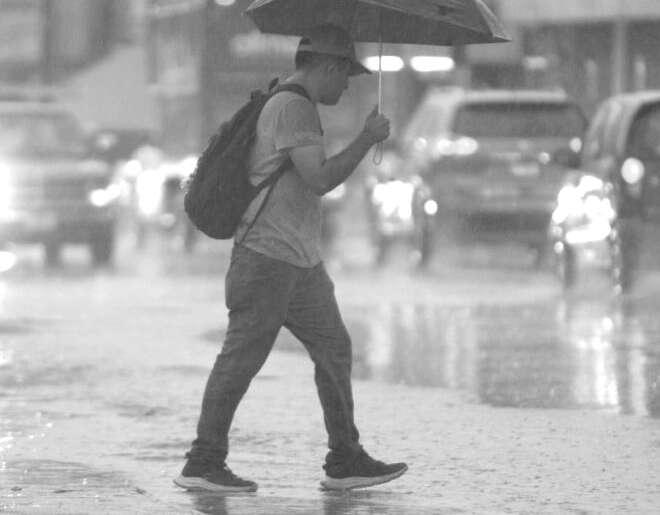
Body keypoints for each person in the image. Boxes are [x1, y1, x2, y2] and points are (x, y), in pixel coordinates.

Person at [174, 24, 408, 492]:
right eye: (346, 76)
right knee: (241, 360)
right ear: (329, 66)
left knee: (334, 349)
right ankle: (203, 462)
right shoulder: (293, 107)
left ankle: (345, 459)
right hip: (267, 259)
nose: (347, 87)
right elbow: (319, 178)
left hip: (299, 263)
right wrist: (366, 139)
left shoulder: (292, 104)